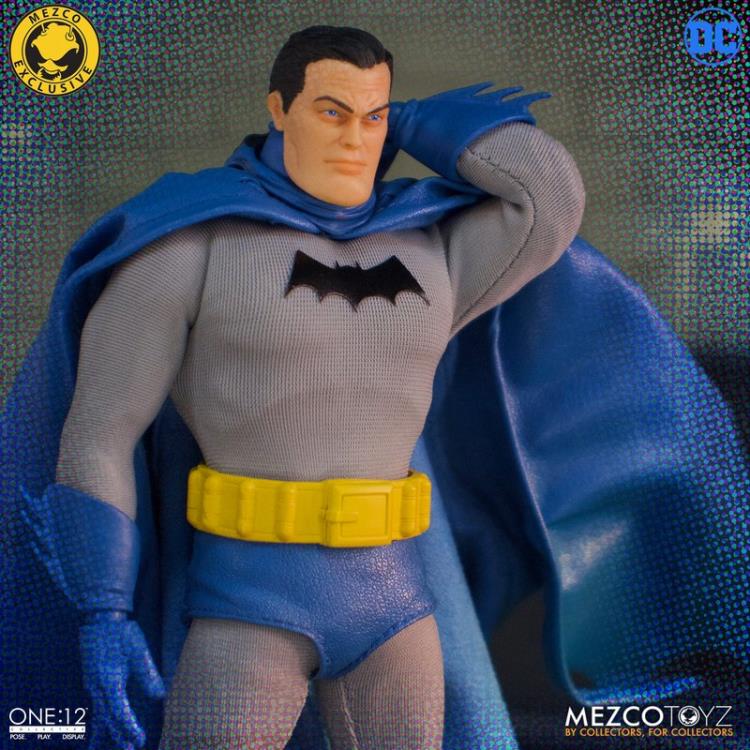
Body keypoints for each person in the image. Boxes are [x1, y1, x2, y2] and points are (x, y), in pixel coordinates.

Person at [7, 23, 748, 750]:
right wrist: (103, 610)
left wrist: (416, 120)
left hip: (394, 600)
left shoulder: (430, 249)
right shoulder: (188, 247)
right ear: (279, 109)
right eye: (332, 111)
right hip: (247, 599)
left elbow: (548, 195)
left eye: (373, 117)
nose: (355, 138)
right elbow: (100, 433)